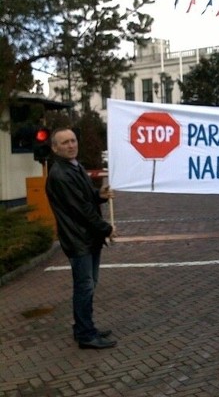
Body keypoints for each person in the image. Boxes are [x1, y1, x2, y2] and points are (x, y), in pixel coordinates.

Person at [45, 128, 118, 349]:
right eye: (65, 142)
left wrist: (100, 196)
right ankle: (86, 335)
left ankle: (84, 328)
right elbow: (80, 210)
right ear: (55, 148)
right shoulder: (60, 174)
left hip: (87, 239)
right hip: (79, 240)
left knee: (88, 285)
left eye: (73, 140)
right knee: (85, 286)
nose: (71, 145)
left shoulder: (74, 167)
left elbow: (86, 198)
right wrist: (106, 229)